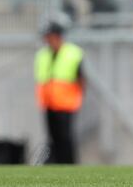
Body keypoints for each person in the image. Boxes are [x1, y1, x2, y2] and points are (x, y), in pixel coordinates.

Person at [34, 22, 85, 164]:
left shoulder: (72, 53)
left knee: (66, 136)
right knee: (52, 136)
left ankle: (69, 163)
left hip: (66, 102)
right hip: (48, 102)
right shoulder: (43, 55)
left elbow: (80, 78)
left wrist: (79, 97)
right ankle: (55, 162)